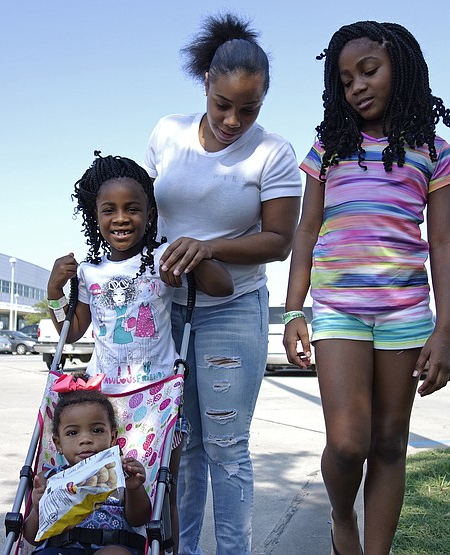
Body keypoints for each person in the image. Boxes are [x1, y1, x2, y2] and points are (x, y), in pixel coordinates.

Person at [281, 21, 450, 555]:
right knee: (346, 443)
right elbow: (307, 229)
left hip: (405, 314)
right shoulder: (329, 150)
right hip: (339, 311)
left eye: (369, 71)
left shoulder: (435, 152)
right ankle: (343, 520)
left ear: (402, 70)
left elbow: (446, 244)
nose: (357, 86)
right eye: (345, 79)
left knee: (388, 443)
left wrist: (446, 331)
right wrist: (295, 311)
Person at [142, 13, 302, 555]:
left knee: (227, 448)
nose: (234, 120)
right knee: (182, 446)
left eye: (249, 109)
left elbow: (279, 239)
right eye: (224, 105)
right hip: (170, 308)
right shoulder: (166, 133)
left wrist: (208, 246)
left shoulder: (274, 153)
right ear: (207, 83)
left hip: (232, 308)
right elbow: (145, 215)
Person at [46, 152, 234, 552]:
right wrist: (53, 293)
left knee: (163, 486)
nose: (121, 218)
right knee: (107, 486)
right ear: (93, 216)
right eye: (109, 210)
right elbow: (72, 330)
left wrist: (197, 256)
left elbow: (223, 288)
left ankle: (171, 550)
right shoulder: (88, 272)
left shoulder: (162, 258)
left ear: (150, 214)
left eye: (132, 209)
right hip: (104, 403)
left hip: (159, 398)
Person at [22, 372, 150, 555]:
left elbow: (139, 519)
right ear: (58, 443)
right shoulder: (48, 479)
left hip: (111, 546)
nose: (86, 439)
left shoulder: (121, 474)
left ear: (113, 437)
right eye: (73, 433)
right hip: (62, 548)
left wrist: (134, 489)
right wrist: (38, 508)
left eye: (97, 430)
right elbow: (30, 536)